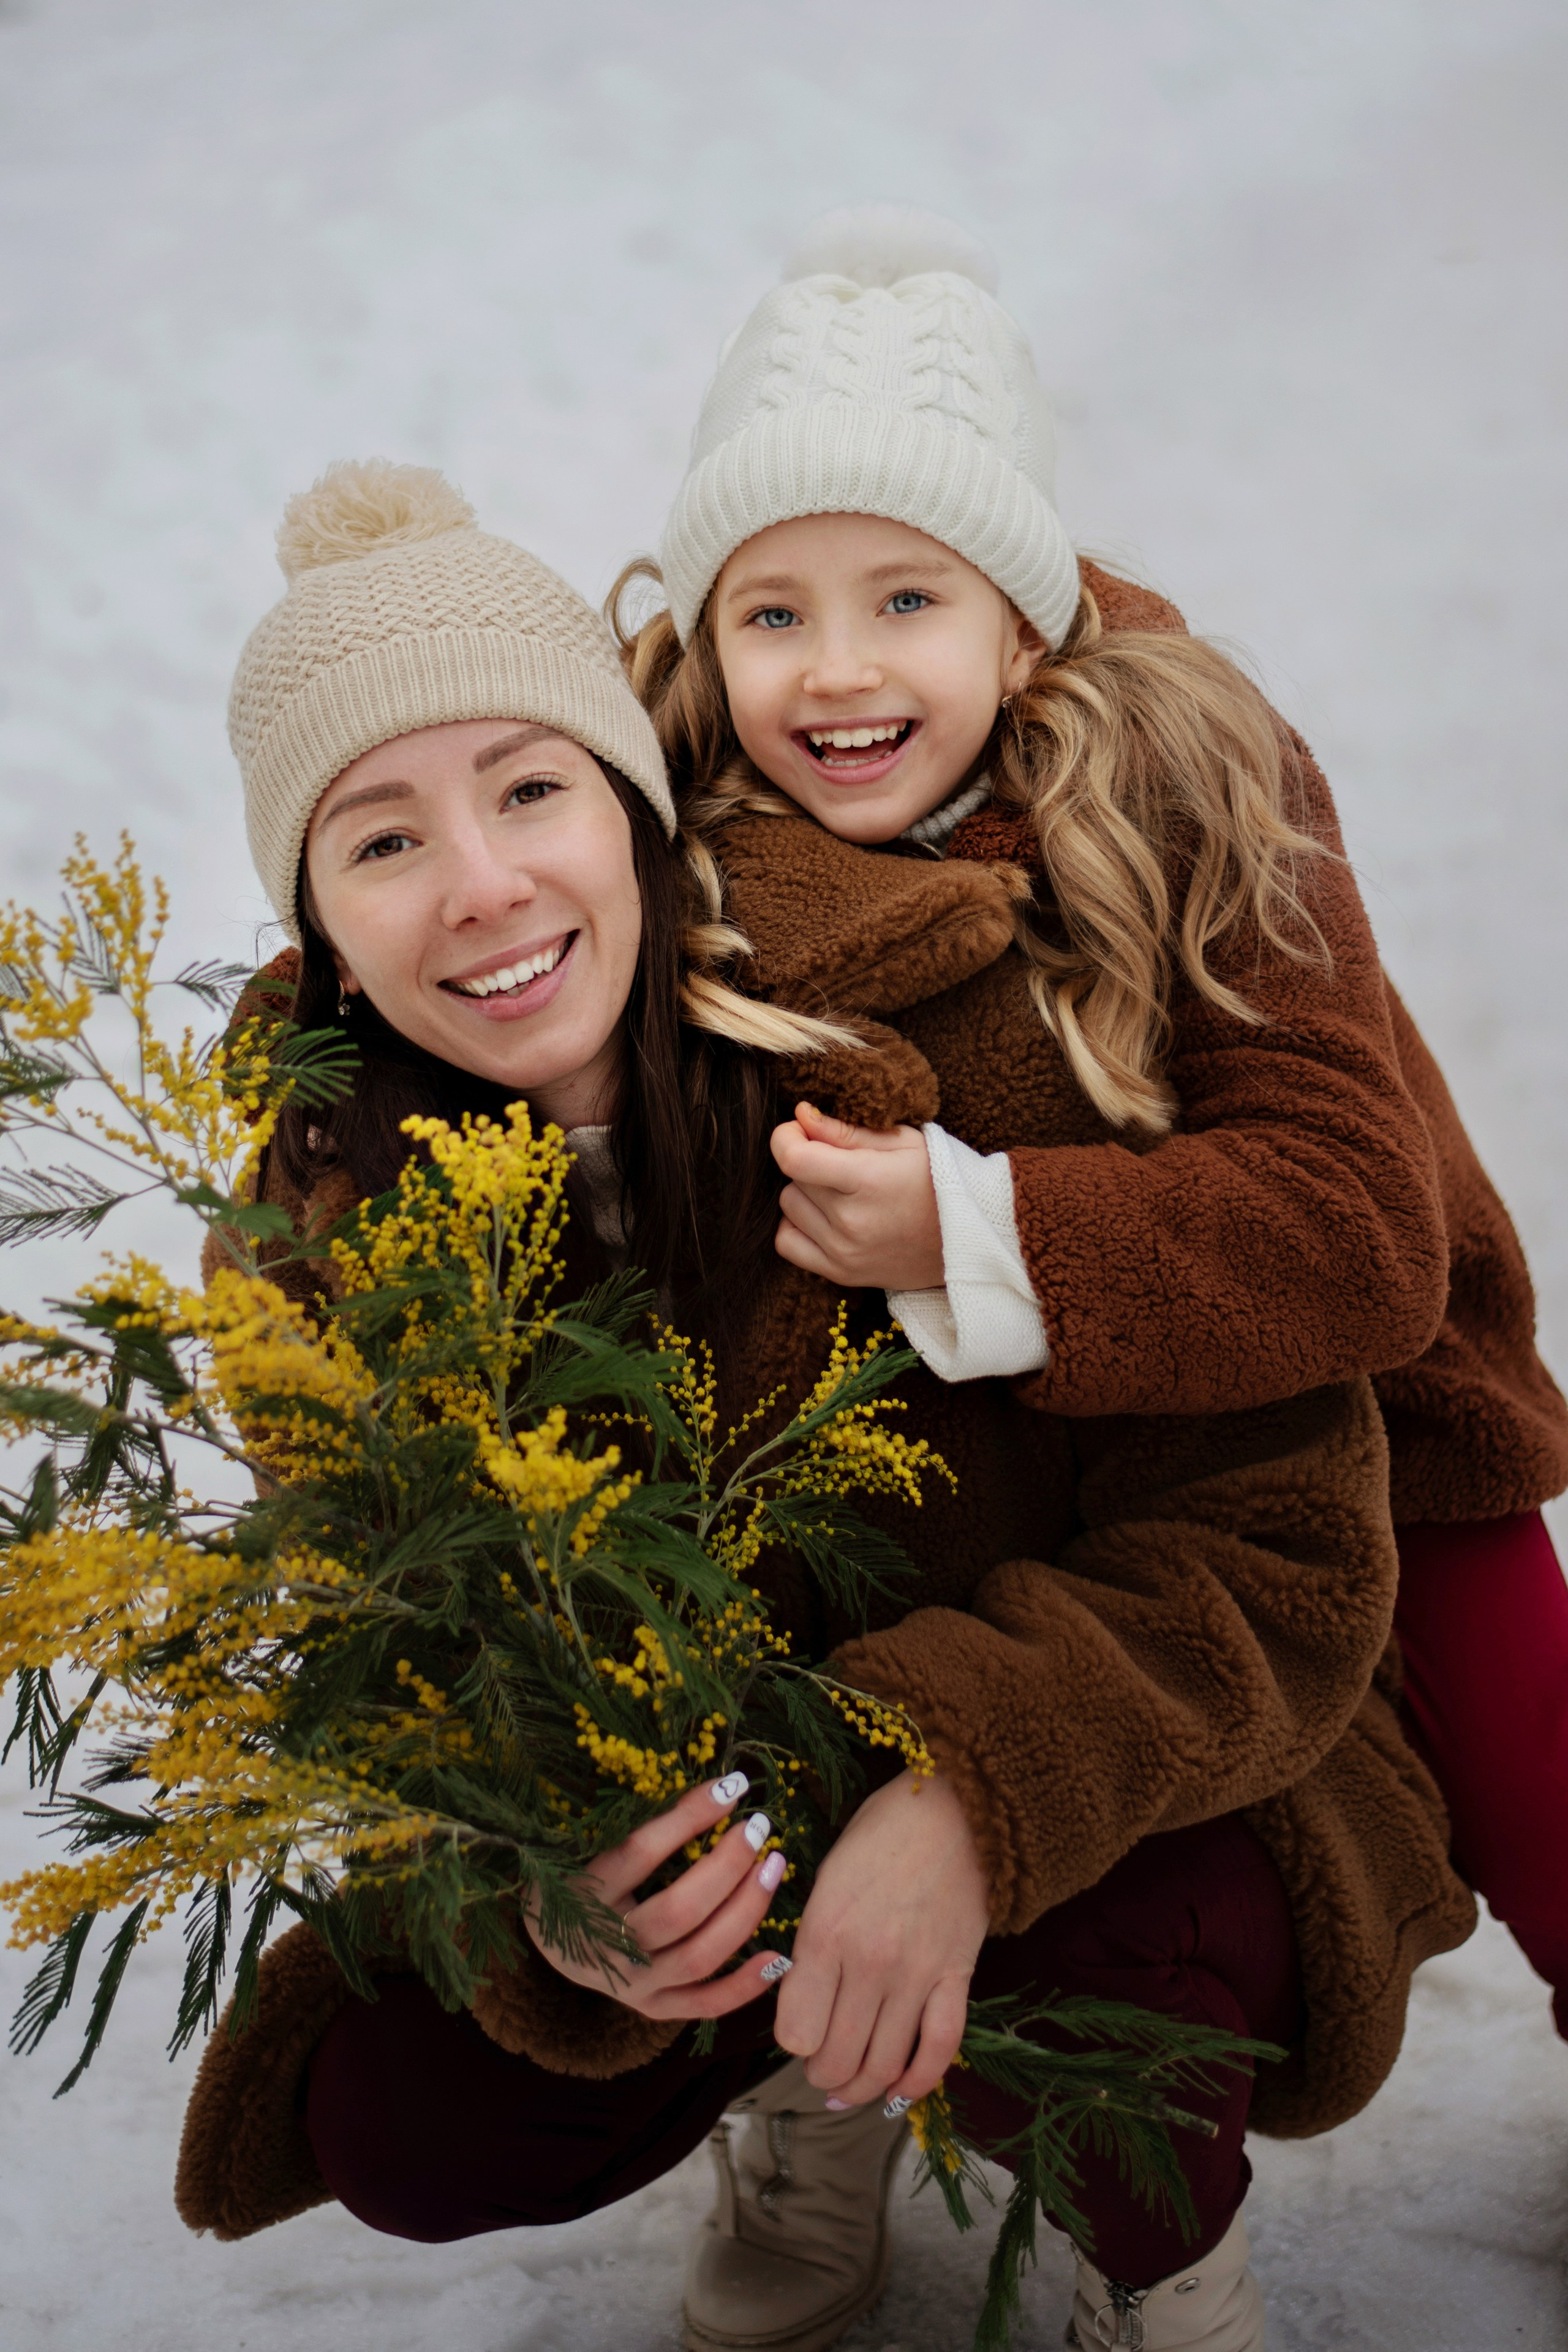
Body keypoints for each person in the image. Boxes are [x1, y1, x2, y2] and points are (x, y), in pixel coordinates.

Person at [175, 458, 1474, 2352]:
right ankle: (798, 2088)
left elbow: (1277, 1538)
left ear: (638, 813)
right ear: (320, 924)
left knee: (1113, 1959)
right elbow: (401, 1657)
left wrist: (968, 1790)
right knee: (408, 2109)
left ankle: (1160, 2255)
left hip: (1118, 1777)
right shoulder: (318, 1244)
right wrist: (551, 1872)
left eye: (531, 791)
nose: (484, 888)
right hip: (738, 1814)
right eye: (382, 842)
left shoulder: (939, 1030)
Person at [620, 206, 1568, 2084]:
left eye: (907, 600)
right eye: (773, 613)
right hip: (954, 1464)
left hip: (1349, 1375)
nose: (835, 671)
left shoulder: (1194, 778)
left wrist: (980, 1234)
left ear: (1023, 619)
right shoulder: (665, 810)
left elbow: (1355, 1226)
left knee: (1529, 1749)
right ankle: (816, 2070)